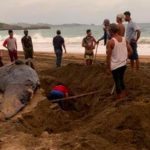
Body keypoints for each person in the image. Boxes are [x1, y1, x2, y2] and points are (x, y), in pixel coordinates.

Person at [106, 23, 132, 100]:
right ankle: (124, 95)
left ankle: (120, 98)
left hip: (115, 66)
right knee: (121, 79)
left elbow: (108, 57)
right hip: (123, 64)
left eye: (108, 31)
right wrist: (125, 58)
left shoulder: (111, 42)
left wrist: (108, 68)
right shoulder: (124, 39)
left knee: (117, 81)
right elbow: (131, 51)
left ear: (111, 31)